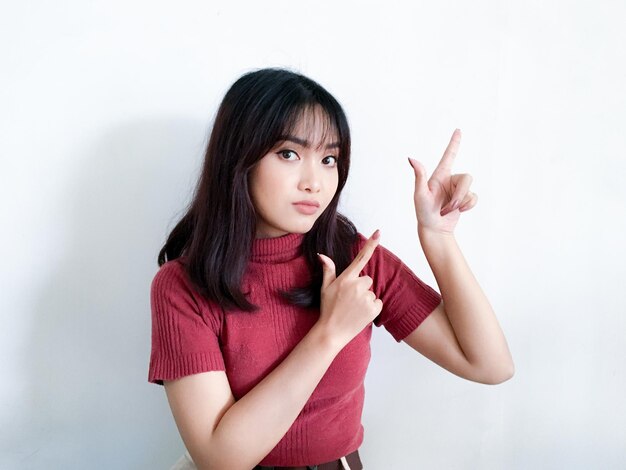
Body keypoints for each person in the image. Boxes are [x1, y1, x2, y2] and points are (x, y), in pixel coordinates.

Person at [147, 67, 514, 470]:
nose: (315, 182)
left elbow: (490, 365)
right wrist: (330, 332)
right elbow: (221, 459)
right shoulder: (183, 286)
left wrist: (438, 238)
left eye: (329, 159)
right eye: (288, 154)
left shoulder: (355, 260)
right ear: (239, 158)